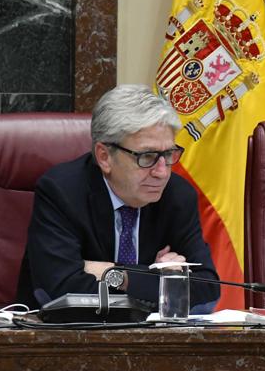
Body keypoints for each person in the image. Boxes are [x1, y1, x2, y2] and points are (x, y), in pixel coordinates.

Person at [16, 84, 220, 309]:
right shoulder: (61, 192)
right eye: (147, 156)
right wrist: (157, 278)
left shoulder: (178, 196)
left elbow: (207, 286)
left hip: (154, 340)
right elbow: (61, 287)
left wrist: (114, 274)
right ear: (104, 157)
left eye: (168, 154)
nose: (162, 172)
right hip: (63, 338)